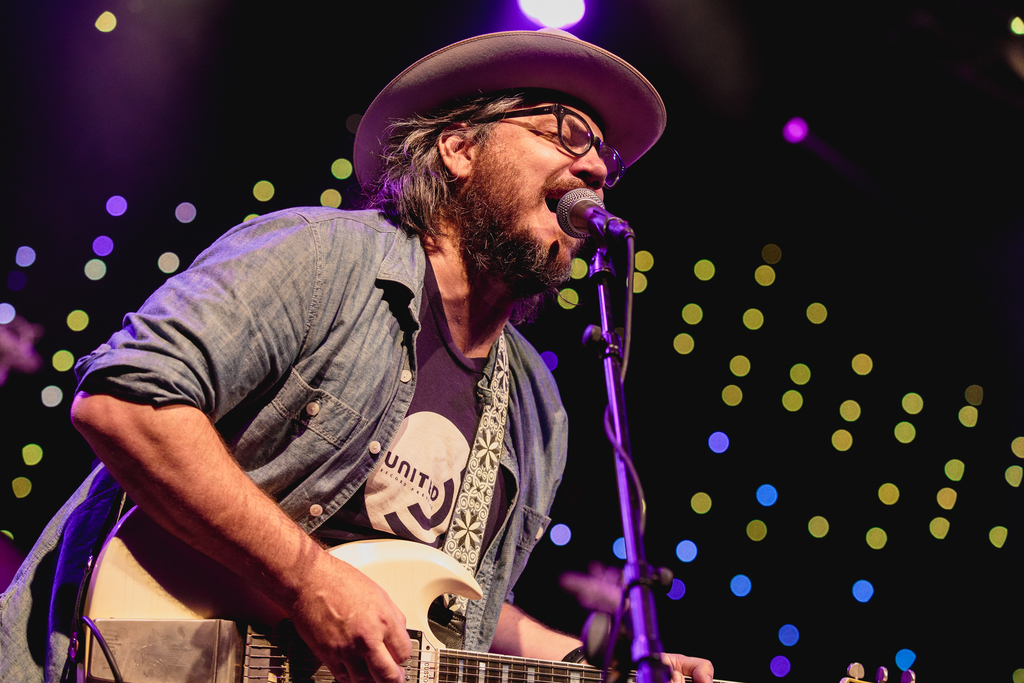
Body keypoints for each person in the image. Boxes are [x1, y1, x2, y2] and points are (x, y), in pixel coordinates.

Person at [0, 29, 714, 683]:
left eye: (605, 157)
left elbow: (455, 608)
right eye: (566, 132)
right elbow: (124, 402)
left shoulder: (538, 406)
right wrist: (308, 579)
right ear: (460, 150)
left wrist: (599, 669)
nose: (594, 167)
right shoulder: (321, 259)